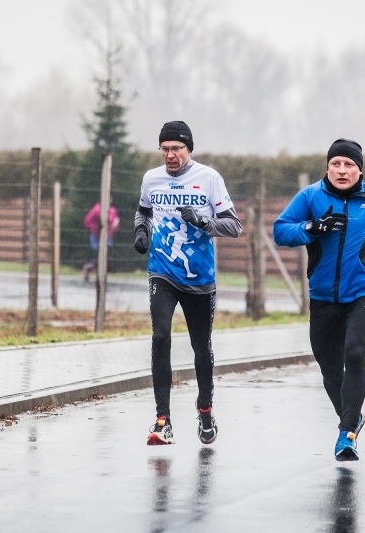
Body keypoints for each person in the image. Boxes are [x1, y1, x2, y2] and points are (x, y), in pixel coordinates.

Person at [273, 138, 365, 461]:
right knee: (329, 369)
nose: (341, 170)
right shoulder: (311, 196)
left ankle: (347, 432)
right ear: (327, 167)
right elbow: (281, 230)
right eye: (336, 164)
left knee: (354, 352)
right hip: (323, 297)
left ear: (359, 170)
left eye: (349, 164)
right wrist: (313, 227)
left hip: (364, 291)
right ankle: (352, 416)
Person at [133, 120, 242, 446]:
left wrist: (204, 221)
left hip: (199, 278)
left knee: (200, 346)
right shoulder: (151, 179)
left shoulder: (209, 179)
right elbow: (143, 212)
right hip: (162, 272)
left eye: (176, 149)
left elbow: (234, 226)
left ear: (188, 149)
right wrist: (140, 232)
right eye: (165, 149)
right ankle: (162, 420)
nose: (170, 155)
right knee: (160, 335)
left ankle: (205, 409)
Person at [82, 198, 120, 282]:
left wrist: (113, 228)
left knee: (107, 255)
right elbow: (87, 221)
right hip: (96, 236)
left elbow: (116, 221)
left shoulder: (112, 210)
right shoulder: (96, 209)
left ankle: (99, 274)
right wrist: (95, 229)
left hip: (108, 236)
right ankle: (90, 269)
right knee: (97, 255)